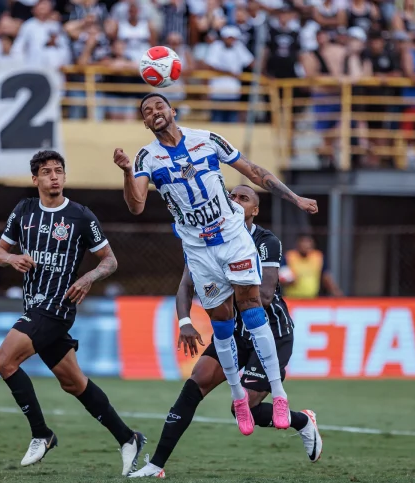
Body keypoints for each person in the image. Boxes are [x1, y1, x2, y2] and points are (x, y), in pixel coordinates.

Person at [113, 93, 318, 436]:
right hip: (198, 249)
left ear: (172, 110)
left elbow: (253, 171)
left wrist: (294, 197)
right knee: (221, 321)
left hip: (232, 236)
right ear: (146, 123)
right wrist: (126, 172)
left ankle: (280, 396)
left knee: (251, 305)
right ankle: (239, 398)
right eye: (146, 111)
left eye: (158, 106)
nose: (154, 112)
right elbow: (135, 206)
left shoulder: (207, 140)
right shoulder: (146, 157)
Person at [129, 185, 322, 479]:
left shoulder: (265, 241)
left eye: (243, 198)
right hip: (233, 331)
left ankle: (302, 421)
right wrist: (185, 321)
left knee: (243, 409)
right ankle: (156, 465)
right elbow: (186, 284)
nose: (234, 201)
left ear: (255, 210)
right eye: (231, 196)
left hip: (270, 332)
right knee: (196, 383)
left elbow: (266, 295)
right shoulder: (204, 239)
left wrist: (217, 283)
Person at [0, 150, 145, 473]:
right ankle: (128, 438)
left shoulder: (80, 216)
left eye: (58, 171)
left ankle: (41, 434)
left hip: (58, 306)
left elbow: (110, 260)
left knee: (5, 361)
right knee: (73, 382)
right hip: (33, 304)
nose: (53, 176)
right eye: (46, 172)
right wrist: (12, 259)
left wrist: (88, 277)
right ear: (35, 179)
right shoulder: (23, 211)